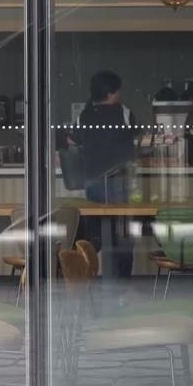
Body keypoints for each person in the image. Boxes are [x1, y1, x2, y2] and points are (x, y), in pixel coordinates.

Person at [72, 71, 139, 277]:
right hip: (119, 180)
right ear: (110, 94)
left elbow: (75, 140)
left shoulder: (84, 115)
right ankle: (118, 279)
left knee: (98, 232)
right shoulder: (124, 112)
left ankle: (84, 272)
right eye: (118, 91)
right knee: (122, 233)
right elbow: (137, 139)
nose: (119, 95)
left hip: (93, 181)